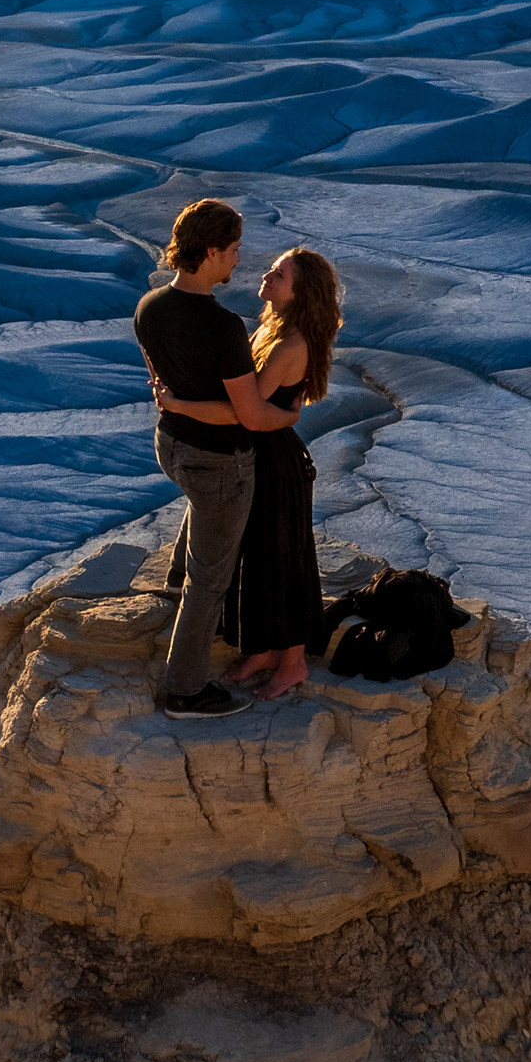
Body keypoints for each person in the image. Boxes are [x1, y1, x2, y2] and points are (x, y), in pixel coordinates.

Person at [131, 198, 291, 719]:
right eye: (235, 251)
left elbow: (164, 380)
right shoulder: (222, 326)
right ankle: (185, 690)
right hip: (217, 459)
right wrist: (288, 417)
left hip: (170, 445)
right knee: (212, 581)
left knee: (201, 515)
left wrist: (176, 404)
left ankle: (176, 584)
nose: (239, 261)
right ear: (211, 250)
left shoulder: (149, 305)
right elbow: (245, 416)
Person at [221, 248, 341, 700]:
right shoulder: (274, 330)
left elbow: (246, 405)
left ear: (300, 292)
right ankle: (264, 650)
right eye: (273, 267)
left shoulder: (292, 345)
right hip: (263, 453)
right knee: (257, 561)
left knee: (283, 563)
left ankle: (291, 663)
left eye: (281, 273)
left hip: (275, 463)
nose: (268, 275)